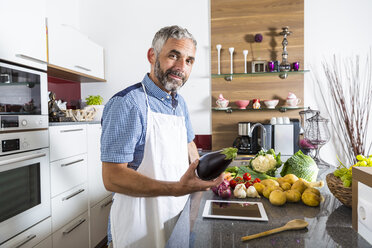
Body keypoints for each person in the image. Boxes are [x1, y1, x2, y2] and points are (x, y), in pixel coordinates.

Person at [101, 25, 223, 248]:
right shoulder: (128, 103)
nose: (180, 67)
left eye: (189, 61)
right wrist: (176, 188)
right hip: (137, 227)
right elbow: (112, 177)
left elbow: (189, 146)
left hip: (174, 218)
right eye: (173, 56)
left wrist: (207, 175)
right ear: (152, 55)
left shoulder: (179, 103)